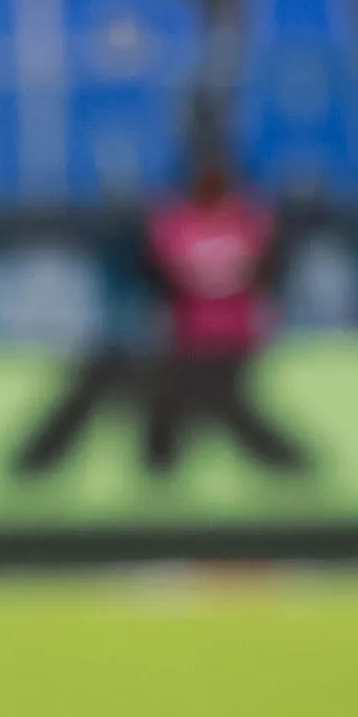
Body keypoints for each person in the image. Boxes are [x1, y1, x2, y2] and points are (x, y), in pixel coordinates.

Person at [140, 152, 305, 476]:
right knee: (187, 419)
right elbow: (157, 279)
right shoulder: (173, 222)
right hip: (188, 344)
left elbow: (268, 275)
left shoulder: (250, 220)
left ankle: (281, 460)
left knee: (223, 410)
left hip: (238, 341)